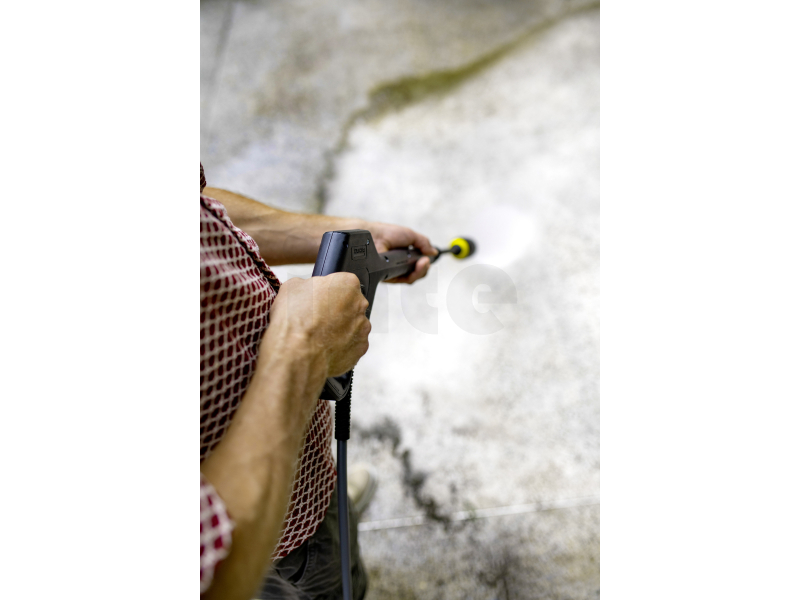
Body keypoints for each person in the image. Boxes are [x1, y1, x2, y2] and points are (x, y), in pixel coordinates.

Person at [199, 164, 436, 600]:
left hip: (303, 482)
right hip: (271, 532)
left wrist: (347, 237)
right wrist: (305, 347)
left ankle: (328, 508)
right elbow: (211, 565)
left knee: (327, 523)